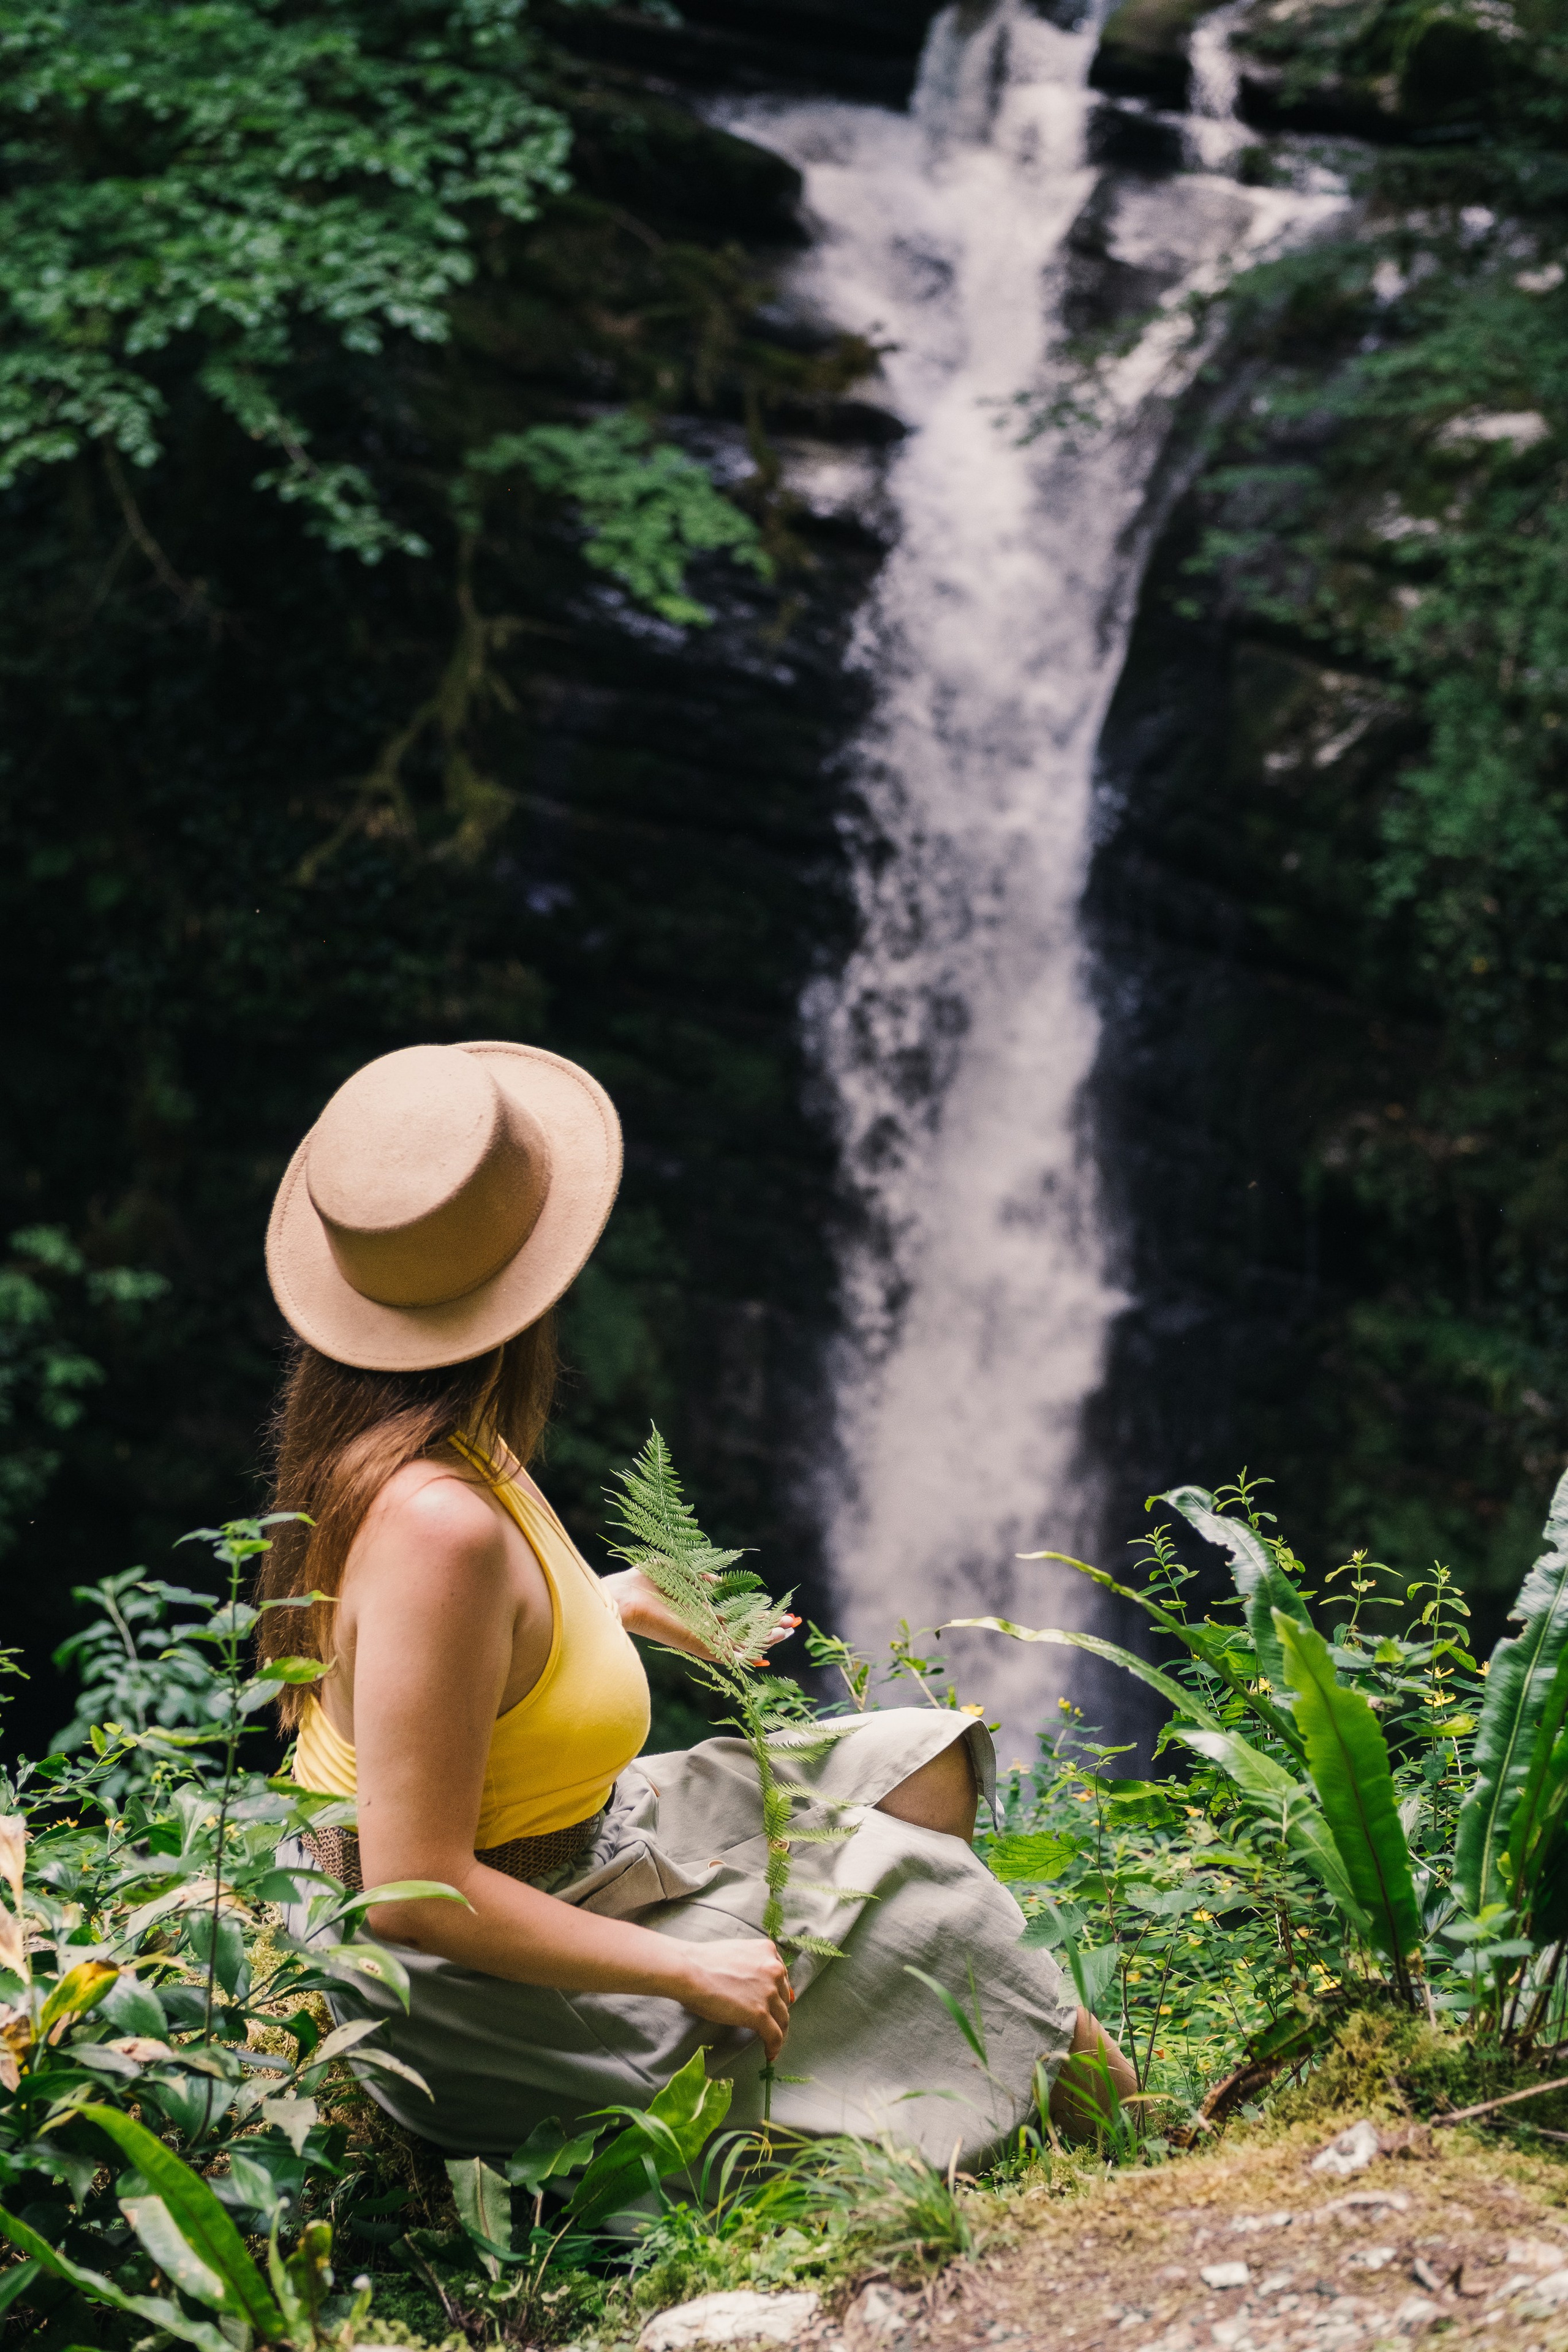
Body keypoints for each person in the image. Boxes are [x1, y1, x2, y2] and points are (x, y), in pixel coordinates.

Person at [262, 1040, 1134, 2167]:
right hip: (470, 1984)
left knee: (925, 1761)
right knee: (940, 1910)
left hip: (578, 1837)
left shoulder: (408, 1435)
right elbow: (410, 1900)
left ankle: (898, 2052)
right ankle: (1137, 2152)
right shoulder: (439, 1523)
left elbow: (456, 1661)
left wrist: (615, 1602)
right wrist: (683, 1968)